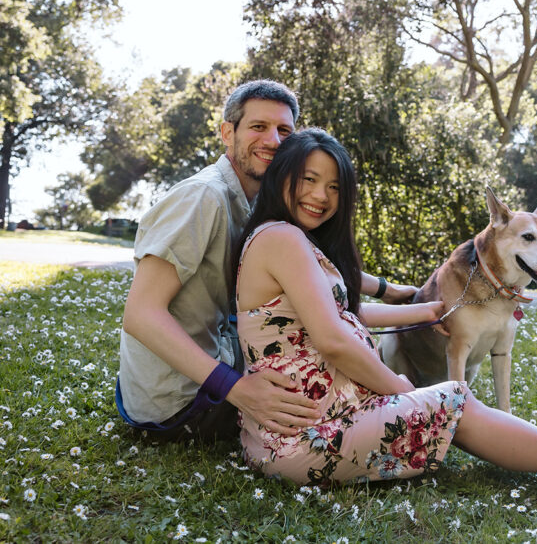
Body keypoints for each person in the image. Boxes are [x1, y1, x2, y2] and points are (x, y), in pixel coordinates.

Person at [235, 128, 537, 502]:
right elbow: (332, 340)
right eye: (309, 180)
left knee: (452, 400)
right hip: (304, 438)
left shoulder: (293, 240)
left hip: (321, 423)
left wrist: (426, 308)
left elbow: (345, 316)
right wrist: (397, 387)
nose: (321, 196)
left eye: (334, 186)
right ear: (282, 176)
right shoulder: (283, 239)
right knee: (451, 397)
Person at [118, 80, 416, 442]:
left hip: (220, 368)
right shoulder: (202, 197)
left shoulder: (258, 202)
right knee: (334, 386)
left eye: (284, 131)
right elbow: (141, 314)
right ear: (227, 133)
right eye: (258, 127)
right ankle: (423, 407)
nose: (273, 140)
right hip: (181, 401)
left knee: (330, 357)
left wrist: (391, 290)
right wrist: (238, 389)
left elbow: (315, 273)